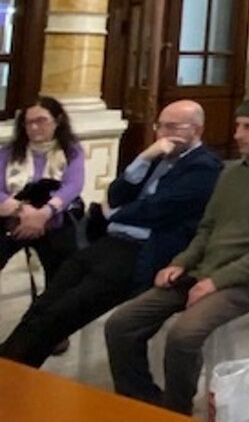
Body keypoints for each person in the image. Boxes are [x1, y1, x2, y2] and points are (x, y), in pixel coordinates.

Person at [105, 91, 249, 415]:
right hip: (201, 271)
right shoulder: (231, 172)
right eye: (238, 125)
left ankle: (176, 411)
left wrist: (216, 282)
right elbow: (207, 227)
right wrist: (181, 262)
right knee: (121, 323)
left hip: (244, 282)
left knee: (183, 335)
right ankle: (141, 401)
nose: (238, 134)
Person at [0, 100, 221, 368]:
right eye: (160, 126)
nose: (163, 134)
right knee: (42, 307)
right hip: (111, 242)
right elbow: (116, 193)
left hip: (142, 250)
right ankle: (9, 364)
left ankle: (10, 369)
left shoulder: (205, 166)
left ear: (196, 130)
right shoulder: (157, 156)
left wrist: (113, 214)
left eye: (172, 127)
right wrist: (143, 158)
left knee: (61, 314)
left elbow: (157, 209)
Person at [0, 97, 84, 287]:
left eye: (41, 121)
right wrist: (23, 211)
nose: (34, 127)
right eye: (29, 122)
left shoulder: (71, 151)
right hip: (12, 219)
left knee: (65, 270)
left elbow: (73, 186)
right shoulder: (8, 152)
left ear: (57, 120)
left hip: (53, 219)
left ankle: (50, 304)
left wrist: (44, 214)